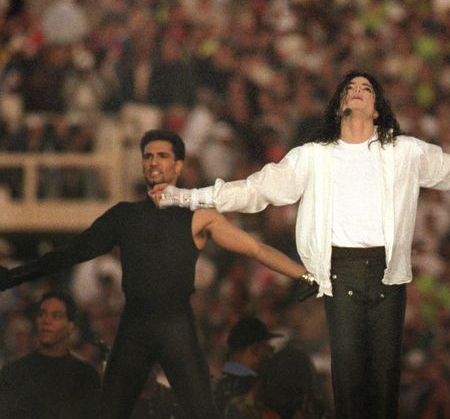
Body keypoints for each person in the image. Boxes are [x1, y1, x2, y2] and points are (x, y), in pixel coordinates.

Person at [150, 70, 450, 419]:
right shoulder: (313, 156)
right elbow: (252, 191)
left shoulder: (404, 152)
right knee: (349, 380)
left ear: (376, 107)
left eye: (365, 87)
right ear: (340, 105)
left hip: (388, 276)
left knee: (383, 383)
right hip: (340, 274)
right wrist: (187, 197)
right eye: (349, 87)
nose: (356, 91)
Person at [0, 130, 315, 419]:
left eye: (162, 156)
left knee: (203, 413)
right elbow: (72, 252)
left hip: (176, 325)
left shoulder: (198, 215)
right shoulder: (125, 216)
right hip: (134, 324)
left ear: (178, 165)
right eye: (148, 156)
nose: (153, 162)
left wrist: (306, 276)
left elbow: (256, 250)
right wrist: (14, 276)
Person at [0, 291, 101, 419]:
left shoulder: (85, 376)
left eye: (56, 316)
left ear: (71, 326)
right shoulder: (14, 373)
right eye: (42, 314)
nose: (46, 321)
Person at [214, 316, 282, 415]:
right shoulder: (255, 386)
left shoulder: (216, 386)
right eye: (268, 348)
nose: (270, 355)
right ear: (255, 349)